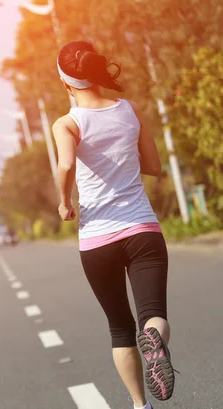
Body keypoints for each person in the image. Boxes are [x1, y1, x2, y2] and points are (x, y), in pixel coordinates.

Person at [51, 41, 176, 409]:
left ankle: (140, 405)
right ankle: (154, 340)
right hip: (142, 230)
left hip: (96, 240)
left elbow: (66, 166)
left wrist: (64, 201)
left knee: (120, 329)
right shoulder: (130, 110)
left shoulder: (67, 123)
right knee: (152, 316)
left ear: (66, 83)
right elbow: (154, 166)